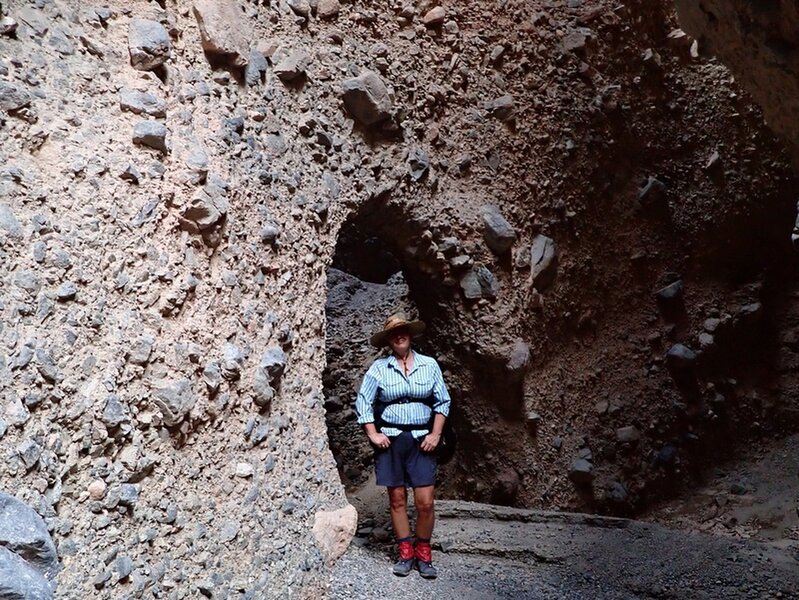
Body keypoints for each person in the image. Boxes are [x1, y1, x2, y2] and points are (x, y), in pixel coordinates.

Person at [355, 313, 451, 579]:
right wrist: (373, 433)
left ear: (410, 335)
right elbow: (364, 401)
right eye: (394, 333)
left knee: (425, 502)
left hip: (423, 441)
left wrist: (435, 434)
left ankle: (423, 553)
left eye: (404, 331)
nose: (400, 336)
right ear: (388, 340)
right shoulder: (379, 369)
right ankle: (405, 552)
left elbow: (442, 402)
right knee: (397, 499)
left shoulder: (429, 365)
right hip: (392, 441)